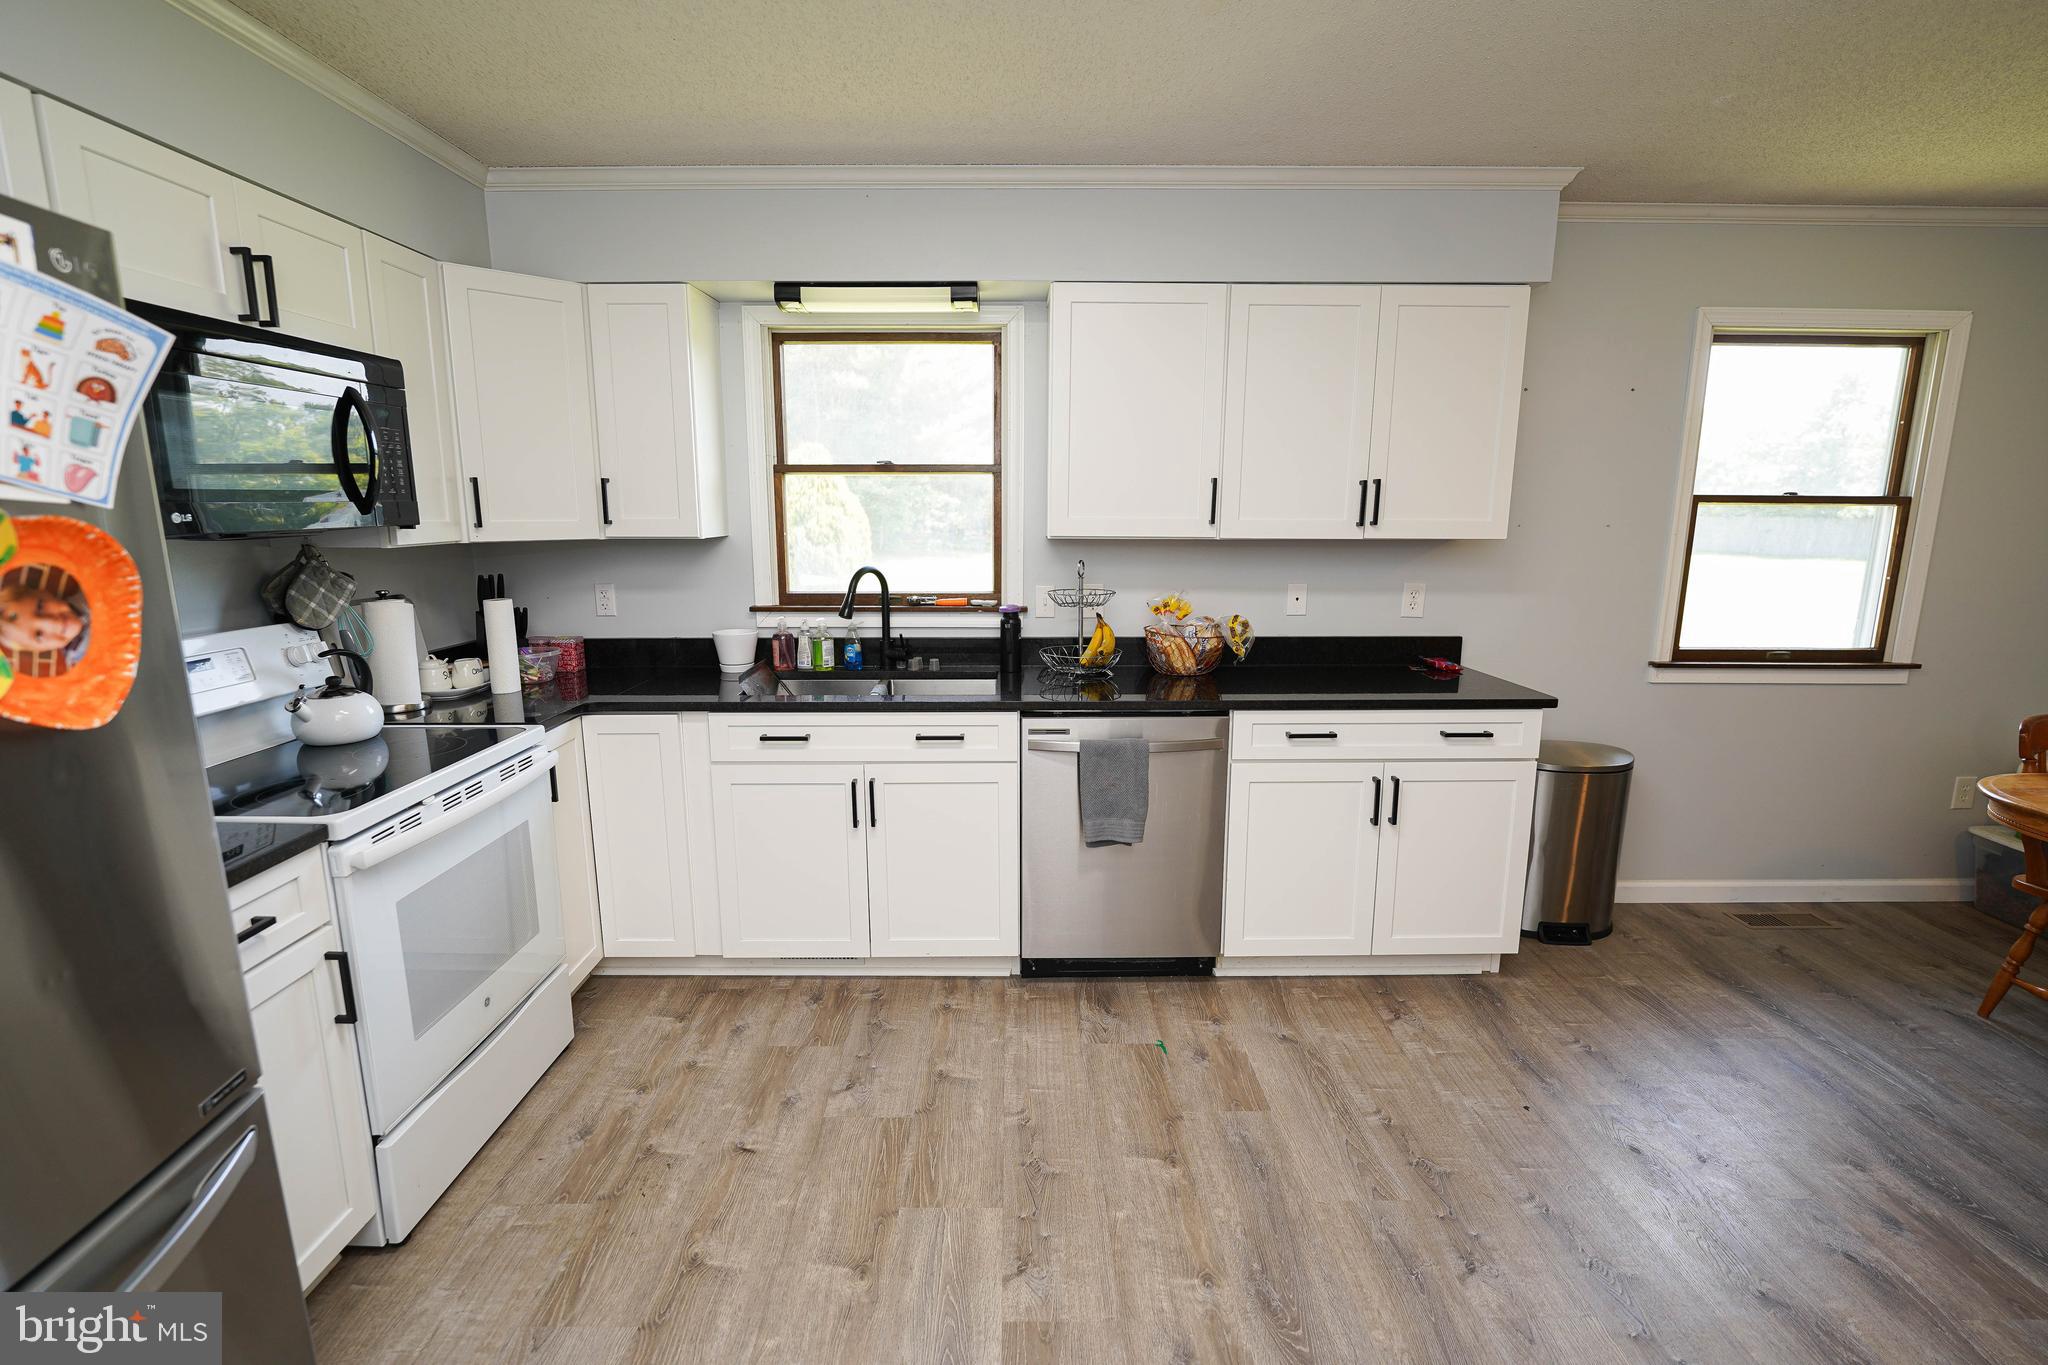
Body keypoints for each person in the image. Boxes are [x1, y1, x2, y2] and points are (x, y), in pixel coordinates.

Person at [0, 579, 90, 669]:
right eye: (39, 635)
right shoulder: (84, 667)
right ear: (40, 650)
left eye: (40, 607)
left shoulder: (90, 589)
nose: (53, 623)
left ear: (44, 593)